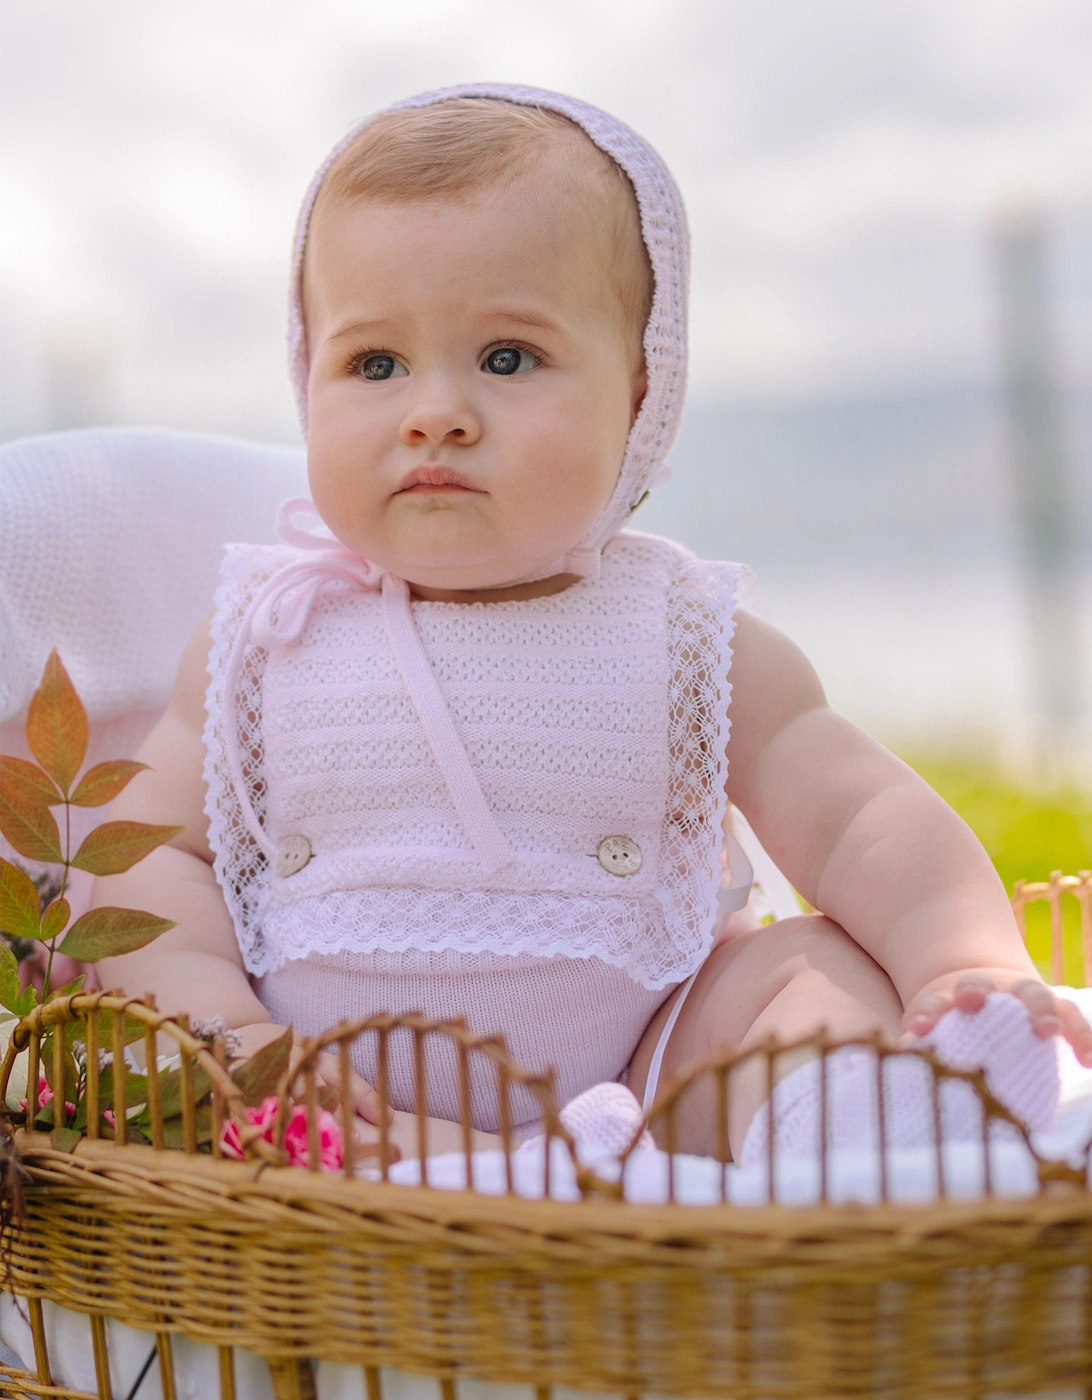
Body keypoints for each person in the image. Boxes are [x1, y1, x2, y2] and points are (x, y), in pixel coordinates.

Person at [92, 85, 1091, 1163]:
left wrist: (962, 961)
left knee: (804, 971)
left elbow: (860, 818)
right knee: (244, 1062)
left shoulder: (684, 637)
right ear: (307, 383)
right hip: (347, 1100)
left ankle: (886, 1131)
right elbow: (149, 858)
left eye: (507, 357)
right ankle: (468, 1170)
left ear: (637, 395)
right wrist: (235, 1038)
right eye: (374, 363)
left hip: (653, 1070)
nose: (435, 409)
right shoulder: (261, 641)